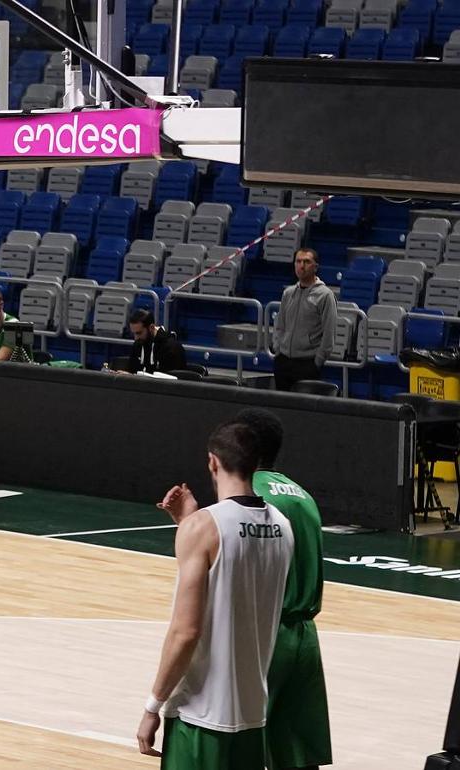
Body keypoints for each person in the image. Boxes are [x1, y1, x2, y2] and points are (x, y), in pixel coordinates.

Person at [136, 421, 295, 769]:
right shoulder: (283, 525)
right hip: (253, 713)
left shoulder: (204, 528)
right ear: (257, 465)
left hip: (200, 715)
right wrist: (189, 523)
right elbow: (238, 575)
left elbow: (186, 632)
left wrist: (152, 706)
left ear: (212, 462)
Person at [236, 408, 333, 770]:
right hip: (305, 635)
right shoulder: (301, 494)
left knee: (240, 747)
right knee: (296, 754)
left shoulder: (249, 496)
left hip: (266, 634)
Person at [272, 248, 337, 392]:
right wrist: (278, 349)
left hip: (307, 364)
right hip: (283, 361)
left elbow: (329, 333)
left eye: (307, 262)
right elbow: (280, 325)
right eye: (298, 261)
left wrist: (317, 362)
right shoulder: (288, 293)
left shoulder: (325, 295)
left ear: (316, 267)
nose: (302, 265)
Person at [127, 309, 188, 375]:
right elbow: (132, 371)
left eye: (139, 333)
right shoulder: (137, 345)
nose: (135, 338)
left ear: (151, 327)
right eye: (133, 333)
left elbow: (171, 381)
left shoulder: (172, 348)